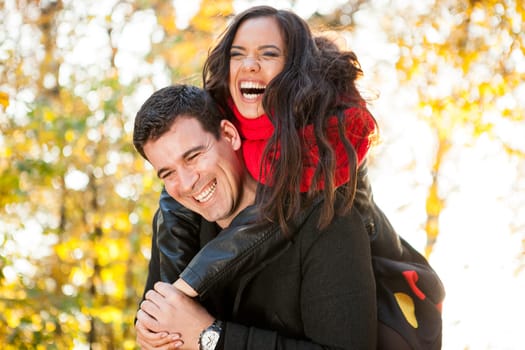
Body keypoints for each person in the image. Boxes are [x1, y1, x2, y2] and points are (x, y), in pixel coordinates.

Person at [136, 5, 444, 350]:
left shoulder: (330, 135)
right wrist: (160, 315)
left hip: (389, 290)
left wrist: (197, 312)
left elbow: (285, 205)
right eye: (238, 55)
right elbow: (178, 173)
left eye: (268, 54)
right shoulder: (222, 114)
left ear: (294, 69)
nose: (250, 65)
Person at [133, 84, 377, 349]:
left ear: (229, 134)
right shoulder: (176, 226)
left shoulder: (327, 219)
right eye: (168, 173)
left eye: (193, 157)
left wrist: (211, 337)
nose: (187, 182)